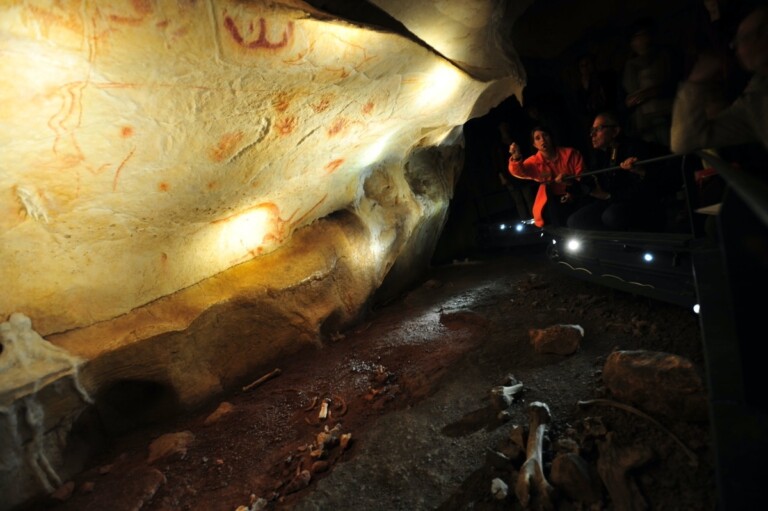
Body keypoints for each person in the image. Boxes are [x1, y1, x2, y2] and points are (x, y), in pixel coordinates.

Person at [670, 4, 768, 153]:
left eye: (747, 38)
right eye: (737, 41)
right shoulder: (754, 102)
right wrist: (695, 84)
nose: (738, 48)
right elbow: (685, 141)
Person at [566, 111, 670, 231]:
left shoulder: (634, 147)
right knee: (575, 221)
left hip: (635, 202)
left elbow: (646, 187)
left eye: (598, 129)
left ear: (615, 131)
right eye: (592, 130)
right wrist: (571, 183)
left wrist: (638, 171)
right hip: (613, 200)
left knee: (611, 216)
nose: (592, 135)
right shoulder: (602, 155)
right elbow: (594, 185)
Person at [508, 126, 586, 228]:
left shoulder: (570, 153)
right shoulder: (535, 161)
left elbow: (582, 176)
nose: (543, 140)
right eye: (538, 138)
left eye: (545, 135)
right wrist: (516, 157)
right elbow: (519, 171)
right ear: (534, 144)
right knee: (553, 216)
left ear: (551, 137)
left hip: (577, 193)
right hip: (552, 199)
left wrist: (571, 190)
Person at [622, 17, 680, 148]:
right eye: (635, 37)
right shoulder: (630, 66)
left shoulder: (662, 57)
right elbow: (628, 93)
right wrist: (631, 101)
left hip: (664, 114)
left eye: (641, 36)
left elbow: (671, 83)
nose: (638, 40)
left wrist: (651, 92)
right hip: (643, 122)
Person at [495, 121, 536, 222]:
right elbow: (498, 163)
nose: (504, 128)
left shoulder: (515, 141)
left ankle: (535, 218)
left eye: (505, 126)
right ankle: (524, 219)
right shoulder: (499, 146)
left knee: (528, 197)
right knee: (518, 199)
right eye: (502, 126)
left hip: (520, 172)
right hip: (509, 175)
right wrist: (502, 177)